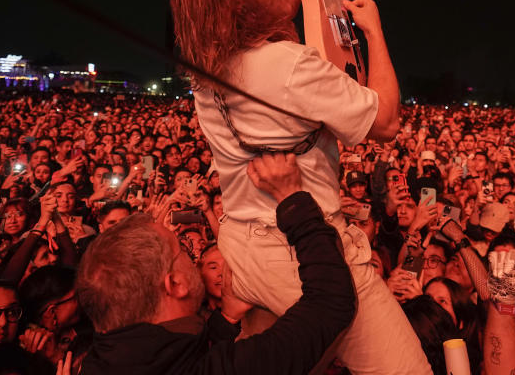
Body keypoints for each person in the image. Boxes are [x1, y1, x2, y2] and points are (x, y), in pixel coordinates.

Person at [168, 0, 429, 373]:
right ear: (237, 1)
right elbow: (388, 122)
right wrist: (374, 32)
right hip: (297, 256)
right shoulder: (286, 66)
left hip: (241, 247)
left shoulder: (204, 64)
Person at [75, 152, 356, 375]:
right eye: (182, 252)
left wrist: (224, 321)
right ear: (175, 283)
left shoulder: (96, 362)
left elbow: (172, 354)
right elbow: (330, 303)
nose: (191, 258)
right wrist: (293, 200)